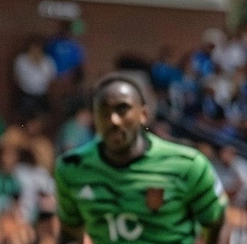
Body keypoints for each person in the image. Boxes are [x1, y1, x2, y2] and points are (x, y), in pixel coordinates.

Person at [54, 73, 226, 244]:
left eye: (122, 109)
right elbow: (70, 234)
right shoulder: (72, 167)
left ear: (143, 114)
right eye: (103, 111)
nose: (113, 120)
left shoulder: (188, 164)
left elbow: (216, 224)